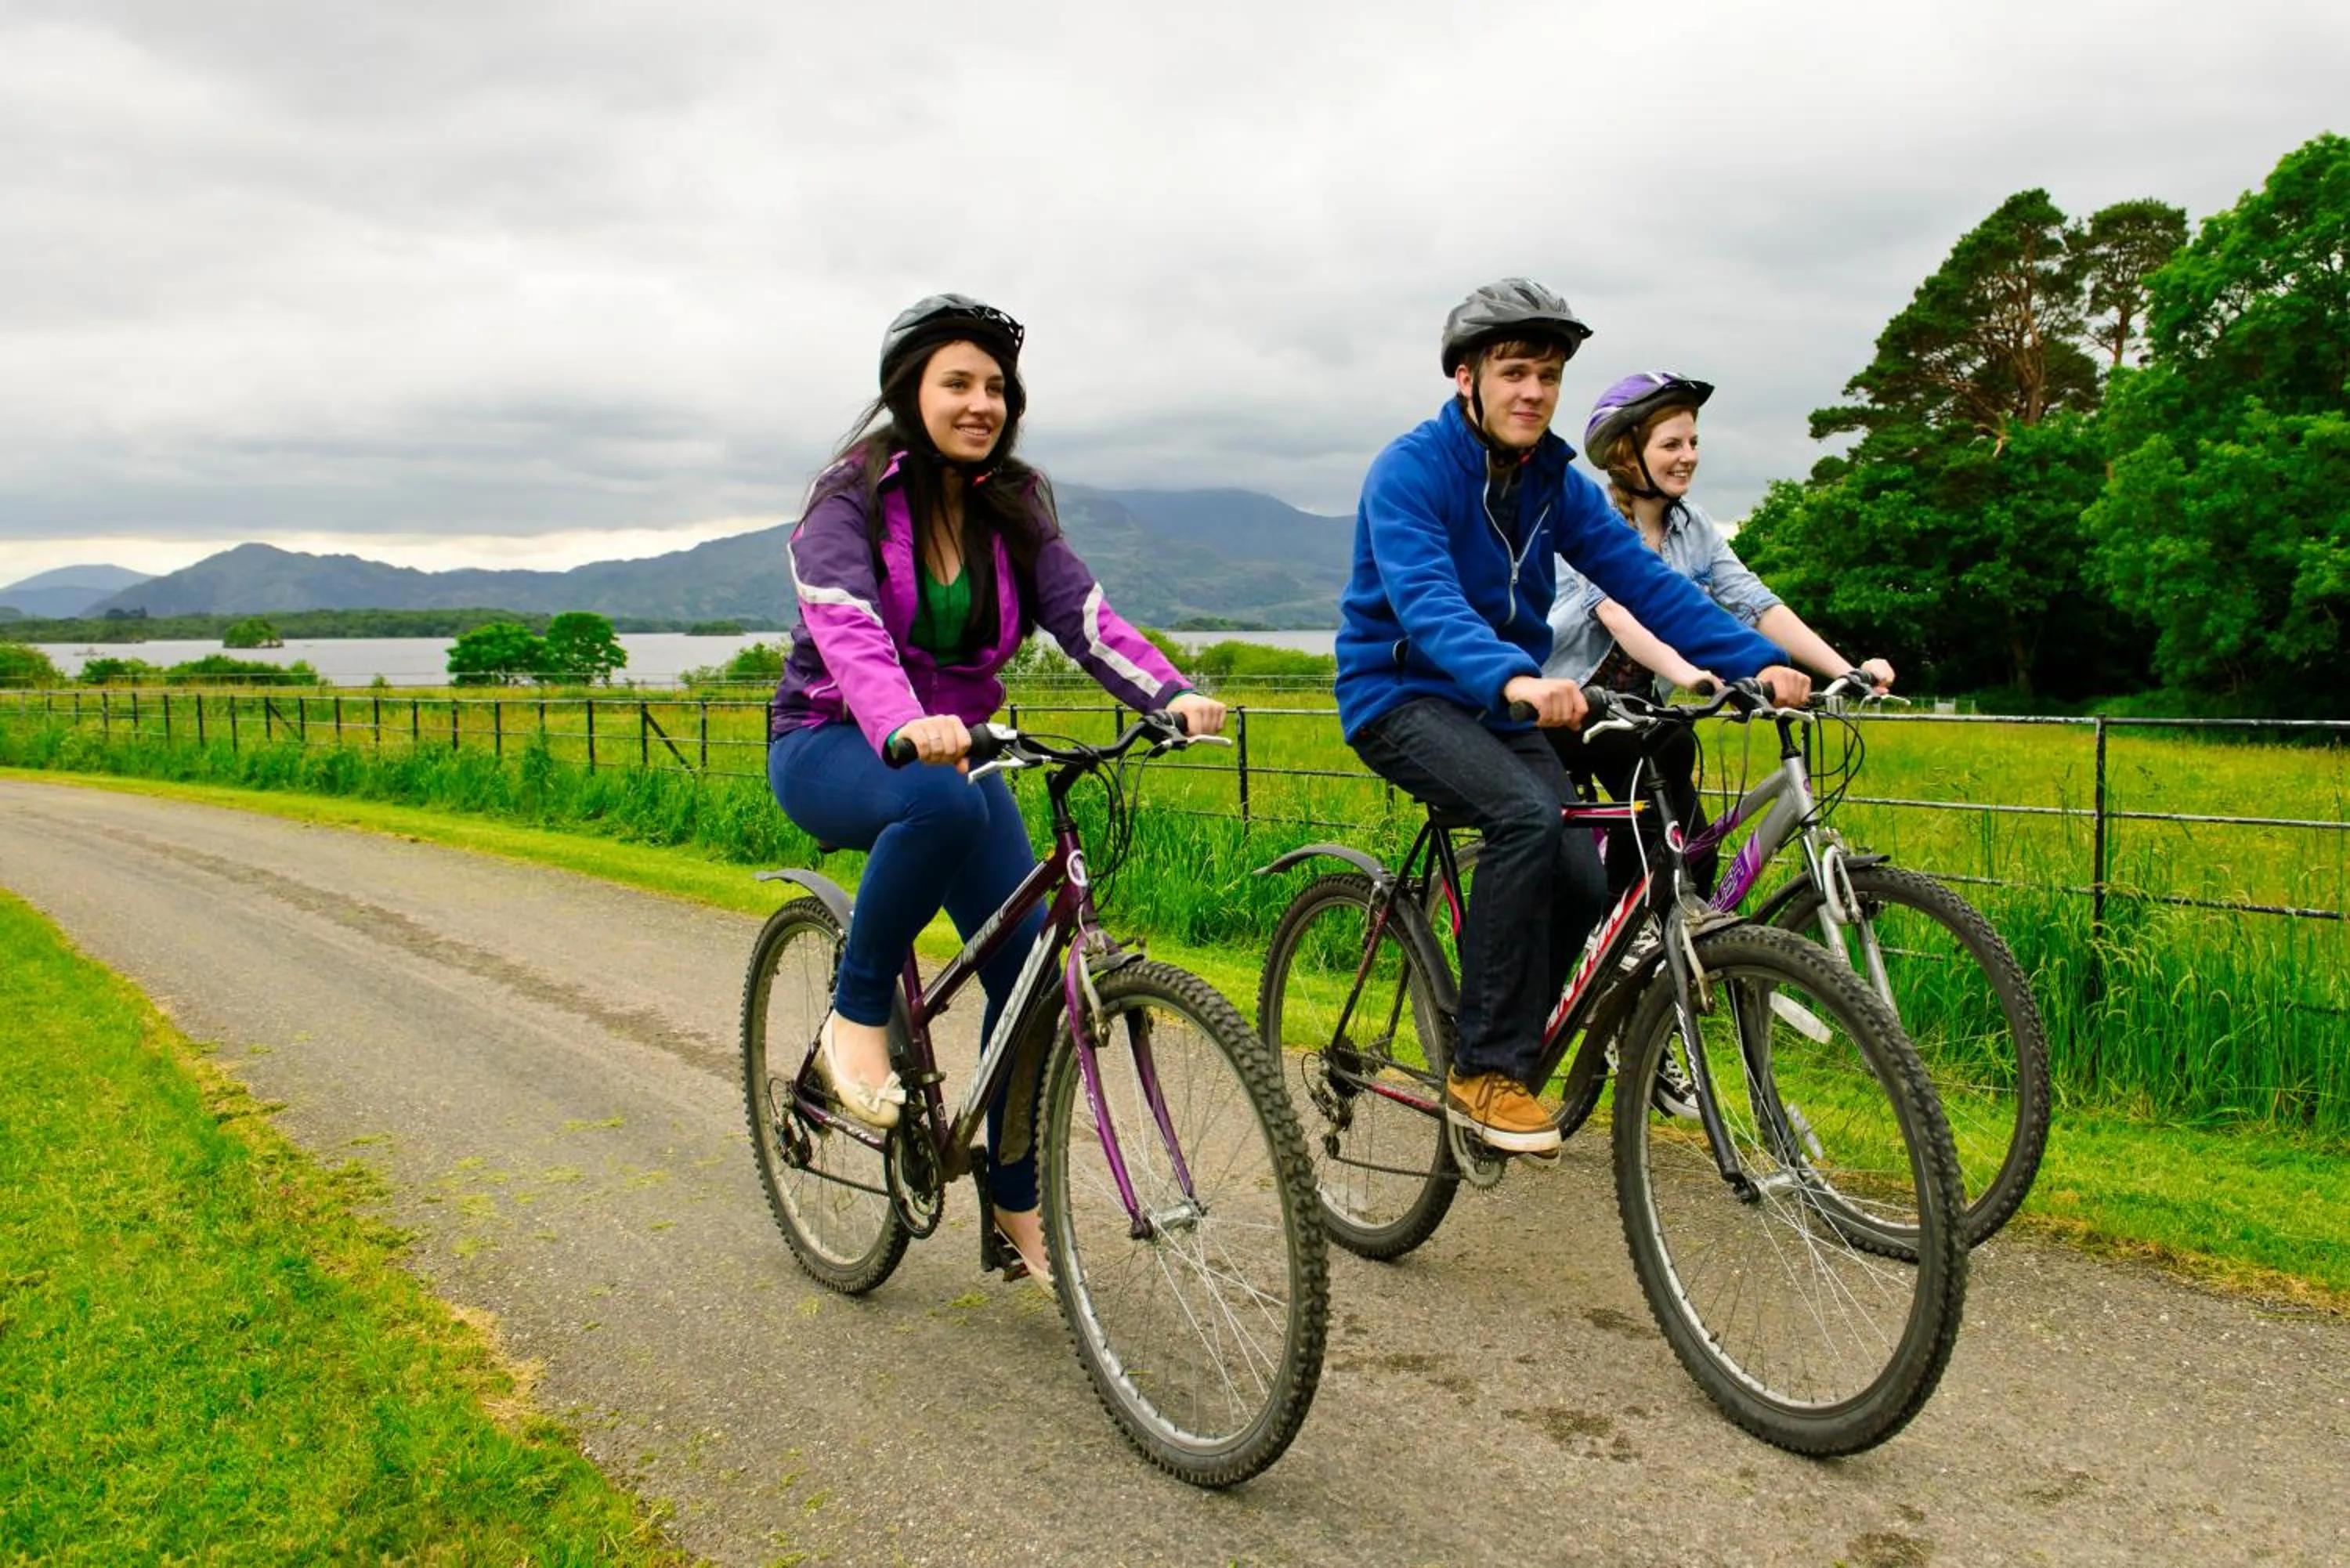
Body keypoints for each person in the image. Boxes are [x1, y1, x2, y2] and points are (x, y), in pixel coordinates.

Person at [767, 294, 1225, 1281]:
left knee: (1029, 983)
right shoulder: (848, 499)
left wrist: (1173, 693)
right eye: (958, 384)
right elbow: (846, 623)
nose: (983, 403)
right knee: (938, 801)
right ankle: (856, 1016)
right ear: (910, 393)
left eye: (997, 388)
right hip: (832, 738)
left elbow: (1085, 617)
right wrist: (901, 722)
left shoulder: (1012, 504)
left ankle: (1014, 1208)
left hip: (963, 750)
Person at [1334, 281, 1808, 1157]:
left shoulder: (1555, 482)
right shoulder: (1410, 470)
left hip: (1499, 699)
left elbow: (1648, 584)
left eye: (1548, 376)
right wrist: (1515, 677)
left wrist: (1757, 661)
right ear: (1467, 378)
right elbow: (1427, 600)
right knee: (1525, 816)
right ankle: (1483, 1070)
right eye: (1514, 372)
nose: (1533, 392)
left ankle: (1515, 1049)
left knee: (1585, 880)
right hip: (1400, 695)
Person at [1545, 372, 1893, 898]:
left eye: (1693, 442)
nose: (1688, 456)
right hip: (1566, 704)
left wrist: (1846, 670)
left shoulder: (1696, 527)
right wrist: (1695, 676)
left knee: (1694, 849)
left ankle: (1667, 939)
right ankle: (1617, 925)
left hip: (1639, 713)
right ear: (1626, 455)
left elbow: (1757, 603)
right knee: (1660, 788)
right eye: (1671, 445)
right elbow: (1618, 614)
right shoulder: (1593, 519)